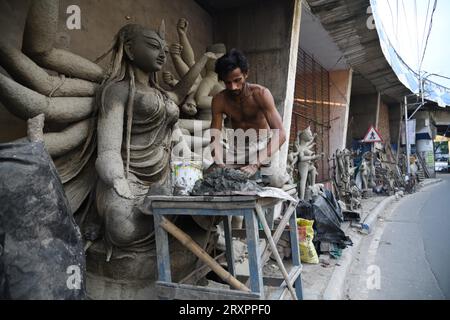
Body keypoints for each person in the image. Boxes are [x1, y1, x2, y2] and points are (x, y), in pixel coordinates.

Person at [209, 49, 288, 187]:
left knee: (274, 180)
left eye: (237, 80)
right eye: (228, 83)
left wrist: (255, 164)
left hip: (264, 145)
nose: (233, 87)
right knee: (210, 175)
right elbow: (214, 135)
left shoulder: (261, 94)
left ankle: (284, 175)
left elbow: (281, 134)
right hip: (239, 147)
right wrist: (220, 163)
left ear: (246, 74)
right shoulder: (219, 100)